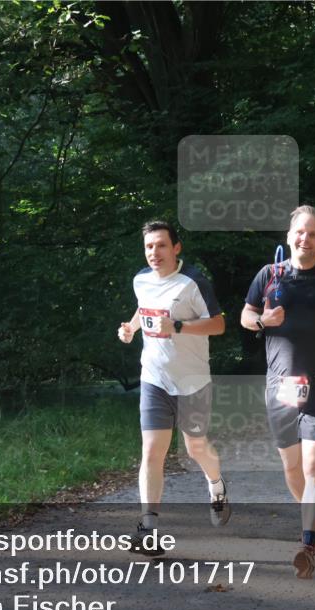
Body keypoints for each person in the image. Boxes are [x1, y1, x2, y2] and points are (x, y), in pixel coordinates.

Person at [240, 205, 315, 579]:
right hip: (280, 387)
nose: (305, 239)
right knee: (291, 467)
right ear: (289, 236)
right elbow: (245, 318)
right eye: (299, 232)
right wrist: (263, 320)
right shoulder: (269, 276)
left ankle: (309, 544)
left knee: (313, 465)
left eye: (312, 234)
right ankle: (310, 517)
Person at [118, 221, 229, 556]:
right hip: (154, 379)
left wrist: (178, 325)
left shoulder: (193, 282)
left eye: (162, 245)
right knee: (152, 452)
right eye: (149, 246)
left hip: (192, 381)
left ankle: (216, 485)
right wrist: (131, 328)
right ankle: (148, 529)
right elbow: (144, 307)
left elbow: (219, 324)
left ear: (176, 248)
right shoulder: (141, 279)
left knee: (195, 448)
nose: (155, 253)